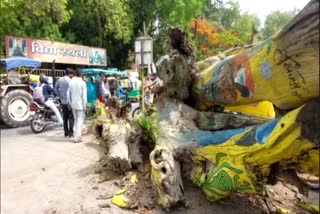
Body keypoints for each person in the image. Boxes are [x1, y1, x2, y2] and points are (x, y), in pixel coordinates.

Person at [67, 69, 87, 143]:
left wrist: (69, 103)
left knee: (76, 120)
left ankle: (77, 135)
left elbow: (68, 94)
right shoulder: (83, 83)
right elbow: (84, 97)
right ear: (81, 75)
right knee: (79, 121)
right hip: (80, 105)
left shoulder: (71, 82)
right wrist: (84, 106)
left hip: (73, 104)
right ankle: (77, 137)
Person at [55, 68, 75, 138]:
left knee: (65, 118)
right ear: (69, 74)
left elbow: (55, 89)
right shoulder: (71, 81)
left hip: (63, 102)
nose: (72, 75)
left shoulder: (59, 80)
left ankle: (65, 133)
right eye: (72, 74)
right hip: (70, 102)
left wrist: (59, 95)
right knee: (71, 118)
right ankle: (71, 133)